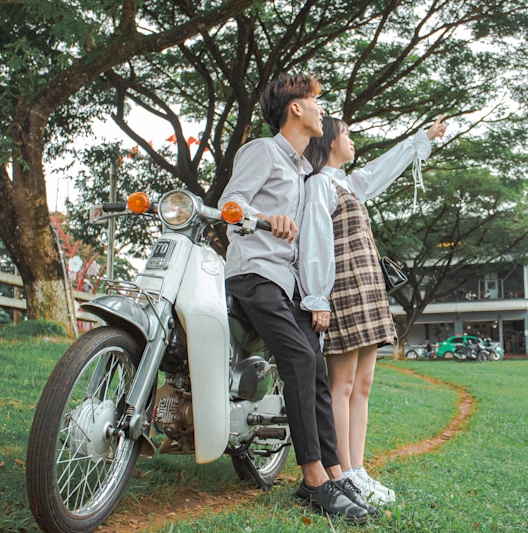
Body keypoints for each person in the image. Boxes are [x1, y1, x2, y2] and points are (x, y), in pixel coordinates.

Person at [218, 73, 373, 524]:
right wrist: (267, 218)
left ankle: (334, 470)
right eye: (315, 100)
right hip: (254, 275)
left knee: (316, 366)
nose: (322, 109)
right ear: (295, 109)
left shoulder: (306, 172)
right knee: (302, 363)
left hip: (284, 285)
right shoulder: (264, 151)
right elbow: (232, 206)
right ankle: (313, 482)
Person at [298, 115, 446, 504]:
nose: (352, 140)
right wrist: (317, 298)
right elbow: (313, 241)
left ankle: (358, 470)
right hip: (343, 290)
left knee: (362, 386)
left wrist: (421, 138)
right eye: (345, 134)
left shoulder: (349, 183)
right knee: (341, 386)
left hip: (368, 290)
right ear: (330, 141)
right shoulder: (318, 185)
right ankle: (341, 472)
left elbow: (383, 168)